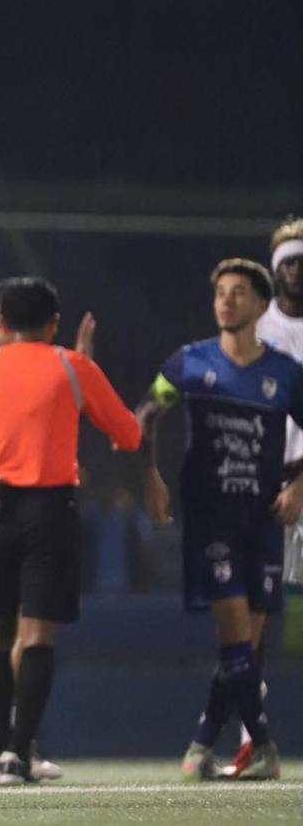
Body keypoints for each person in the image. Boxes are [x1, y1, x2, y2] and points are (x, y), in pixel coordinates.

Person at [0, 277, 140, 783]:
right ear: (54, 324)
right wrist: (82, 376)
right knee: (38, 634)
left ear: (1, 323)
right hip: (51, 511)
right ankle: (23, 750)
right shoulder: (72, 365)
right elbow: (127, 433)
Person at [139, 258, 302, 782]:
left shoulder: (284, 373)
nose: (226, 301)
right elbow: (147, 412)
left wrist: (299, 484)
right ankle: (267, 748)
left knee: (246, 645)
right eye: (220, 294)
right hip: (211, 520)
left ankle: (201, 745)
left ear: (259, 305)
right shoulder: (190, 364)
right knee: (235, 633)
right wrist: (152, 474)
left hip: (264, 519)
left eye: (238, 293)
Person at [244, 219, 303, 776]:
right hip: (267, 481)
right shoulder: (256, 328)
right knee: (254, 610)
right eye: (289, 261)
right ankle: (248, 732)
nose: (297, 270)